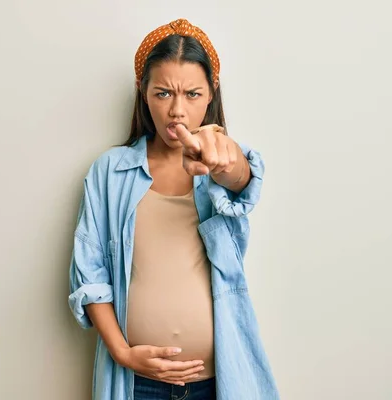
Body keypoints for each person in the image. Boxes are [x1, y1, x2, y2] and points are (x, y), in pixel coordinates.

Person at [69, 18, 279, 400]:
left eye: (193, 94)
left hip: (218, 384)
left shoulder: (218, 166)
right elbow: (90, 272)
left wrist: (223, 160)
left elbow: (242, 180)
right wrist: (123, 353)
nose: (177, 111)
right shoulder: (111, 172)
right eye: (163, 93)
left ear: (212, 93)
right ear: (143, 91)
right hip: (137, 384)